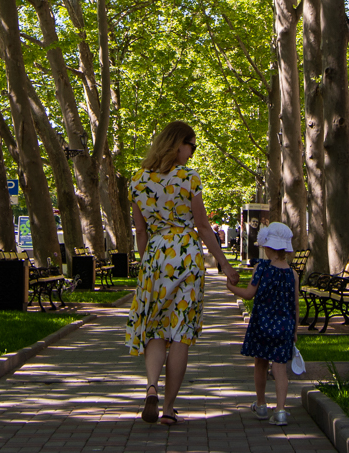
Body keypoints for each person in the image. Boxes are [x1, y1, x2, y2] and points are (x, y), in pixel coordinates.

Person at [127, 121, 238, 426]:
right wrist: (223, 263)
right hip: (186, 254)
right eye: (192, 145)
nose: (193, 152)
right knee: (180, 335)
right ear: (178, 144)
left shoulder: (137, 180)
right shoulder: (188, 177)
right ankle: (168, 409)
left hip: (155, 255)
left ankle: (151, 386)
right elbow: (202, 226)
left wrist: (147, 261)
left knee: (154, 328)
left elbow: (139, 230)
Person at [226, 220, 298, 426]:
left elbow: (249, 294)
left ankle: (261, 404)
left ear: (267, 247)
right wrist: (294, 330)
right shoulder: (292, 274)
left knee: (260, 364)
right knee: (280, 368)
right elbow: (295, 304)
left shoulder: (261, 268)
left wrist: (231, 288)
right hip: (284, 326)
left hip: (261, 324)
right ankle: (282, 410)